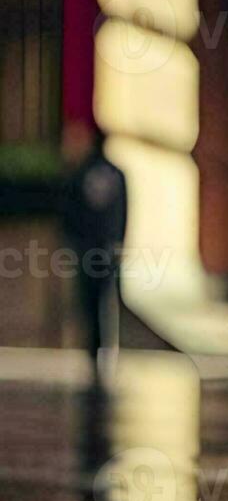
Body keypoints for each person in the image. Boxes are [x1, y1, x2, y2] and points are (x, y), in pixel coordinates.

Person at [61, 131, 128, 388]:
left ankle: (94, 346)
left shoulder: (81, 173)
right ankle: (103, 345)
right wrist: (120, 241)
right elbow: (123, 212)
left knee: (89, 299)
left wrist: (71, 240)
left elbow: (70, 211)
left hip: (87, 248)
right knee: (104, 297)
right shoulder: (116, 174)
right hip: (106, 248)